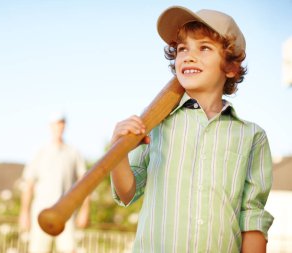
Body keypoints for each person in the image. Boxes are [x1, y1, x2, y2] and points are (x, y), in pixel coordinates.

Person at [110, 6, 273, 253]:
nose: (188, 55)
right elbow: (126, 193)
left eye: (204, 47)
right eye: (182, 48)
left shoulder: (251, 136)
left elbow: (252, 217)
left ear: (231, 67)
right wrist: (117, 153)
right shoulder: (155, 121)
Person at [19, 112, 90, 253]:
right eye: (56, 123)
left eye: (61, 123)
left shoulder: (74, 152)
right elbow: (29, 185)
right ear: (50, 126)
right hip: (41, 210)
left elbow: (85, 183)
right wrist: (24, 212)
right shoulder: (40, 151)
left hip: (66, 210)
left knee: (69, 250)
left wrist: (85, 210)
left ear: (65, 125)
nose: (59, 126)